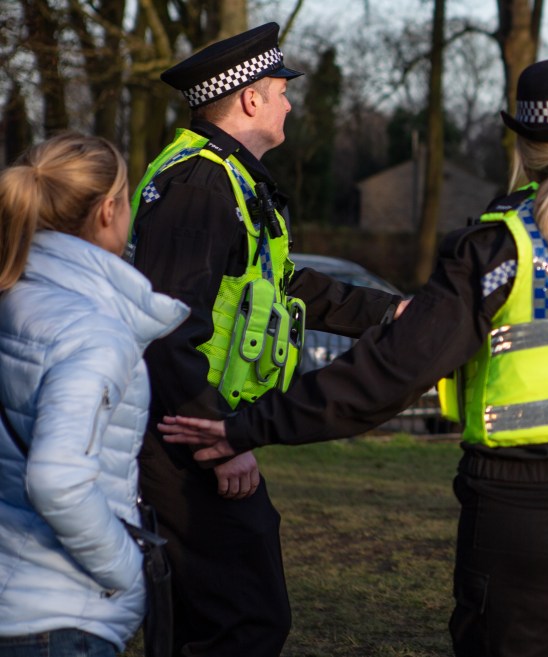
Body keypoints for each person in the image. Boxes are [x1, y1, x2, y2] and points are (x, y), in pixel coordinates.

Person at [158, 58, 548, 657]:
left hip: (525, 518)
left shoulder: (497, 246)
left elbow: (386, 377)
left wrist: (249, 427)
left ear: (521, 142)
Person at [128, 23, 405, 656]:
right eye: (281, 91)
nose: (288, 104)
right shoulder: (200, 186)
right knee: (246, 621)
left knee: (207, 619)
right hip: (186, 437)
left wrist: (397, 314)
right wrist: (221, 443)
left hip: (192, 432)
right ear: (251, 99)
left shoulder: (229, 181)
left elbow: (283, 283)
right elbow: (167, 331)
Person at [0, 133, 188, 655]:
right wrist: (127, 572)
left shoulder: (12, 296)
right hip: (58, 616)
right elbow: (57, 481)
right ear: (109, 211)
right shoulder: (94, 332)